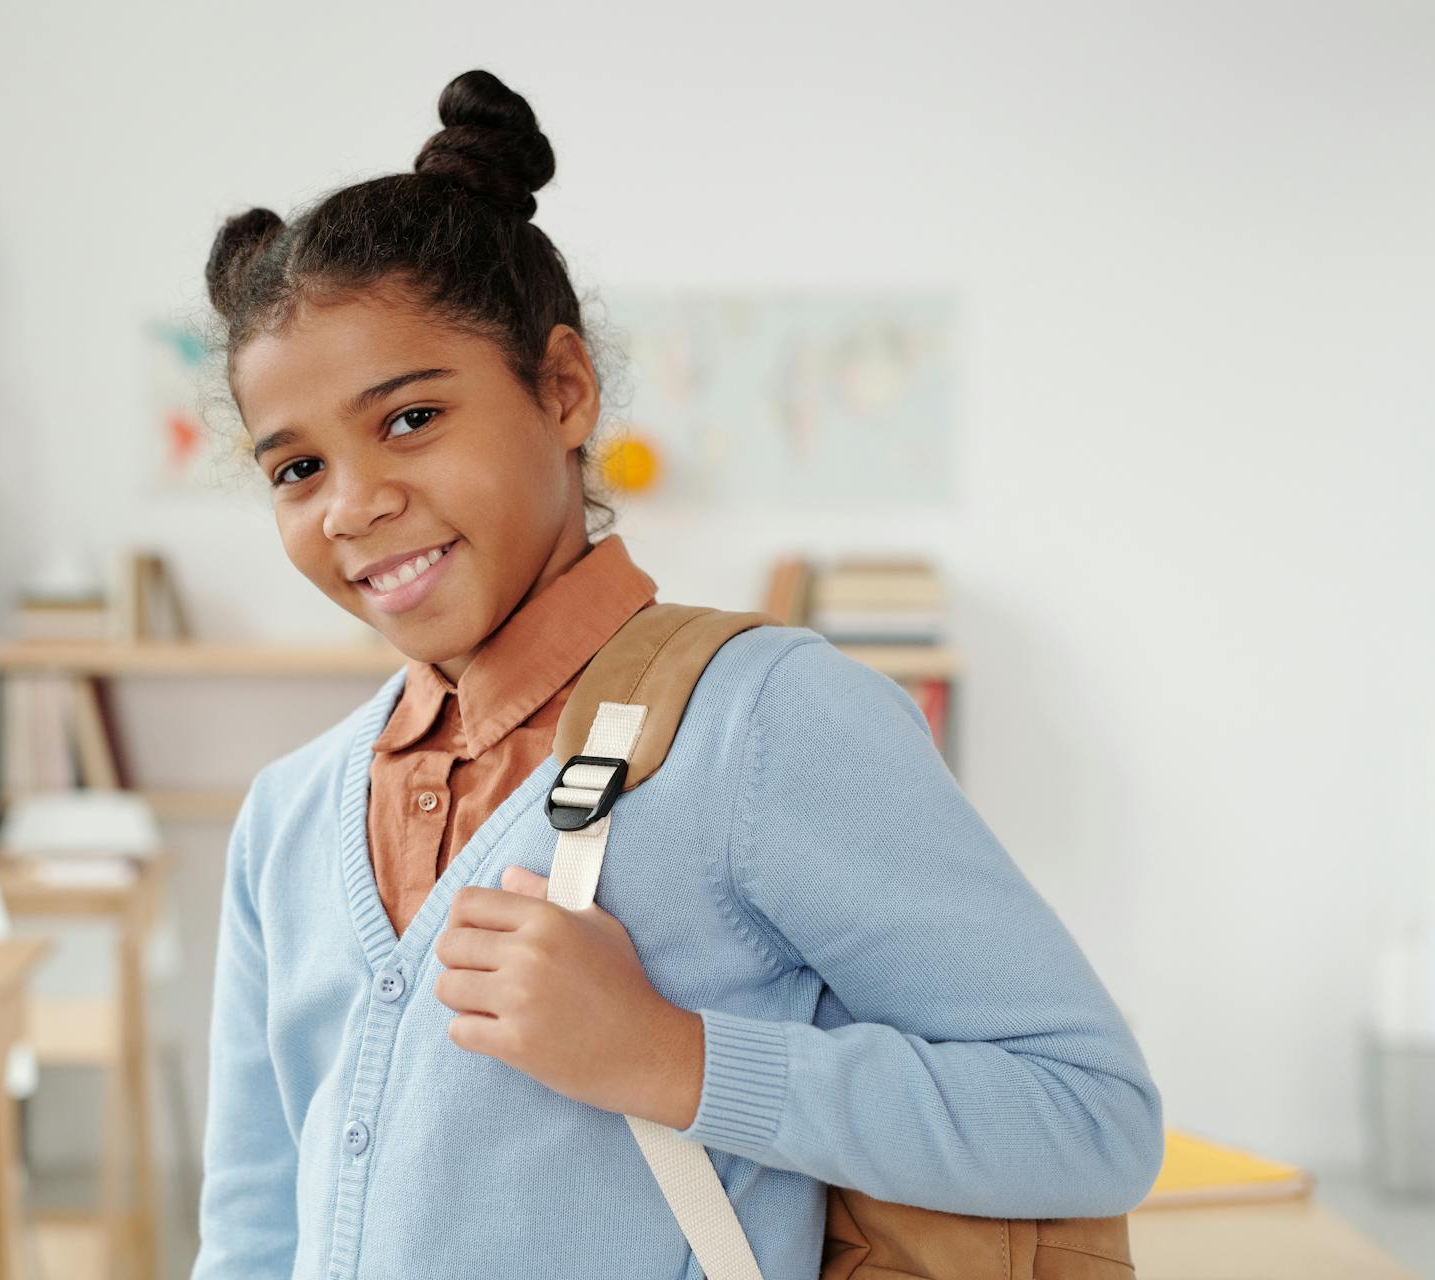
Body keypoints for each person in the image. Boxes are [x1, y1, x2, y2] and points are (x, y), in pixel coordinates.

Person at [189, 68, 1163, 1280]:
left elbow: (1088, 1118)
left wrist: (673, 1057)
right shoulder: (288, 811)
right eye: (295, 470)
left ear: (562, 389)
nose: (356, 503)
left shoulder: (767, 719)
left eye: (409, 419)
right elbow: (249, 1223)